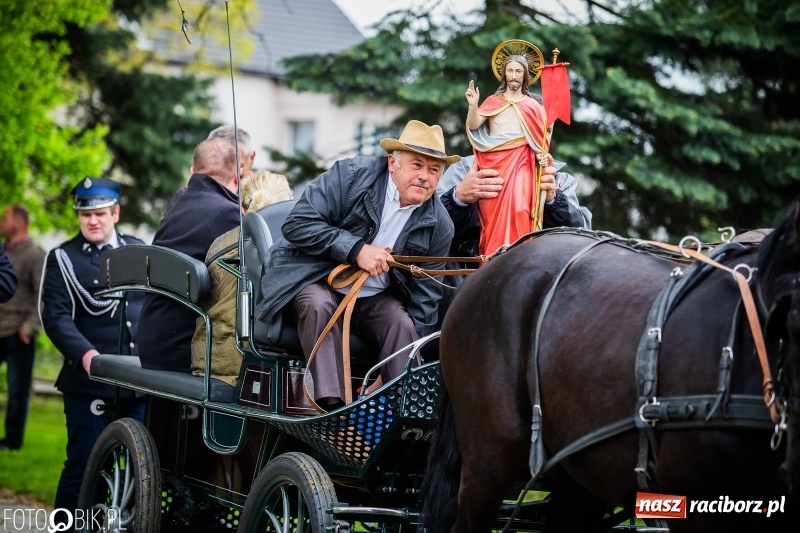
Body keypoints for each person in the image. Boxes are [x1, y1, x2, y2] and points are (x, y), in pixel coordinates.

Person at [256, 120, 458, 411]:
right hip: (313, 276)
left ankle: (398, 413)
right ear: (393, 163)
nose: (424, 177)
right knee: (318, 305)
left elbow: (425, 304)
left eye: (434, 170)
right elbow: (297, 224)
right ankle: (332, 411)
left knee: (402, 323)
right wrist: (355, 250)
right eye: (416, 165)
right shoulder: (351, 175)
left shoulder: (440, 224)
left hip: (373, 296)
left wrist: (385, 375)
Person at [39, 177, 146, 514]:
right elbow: (55, 317)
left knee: (137, 470)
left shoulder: (136, 248)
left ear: (115, 212)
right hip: (89, 384)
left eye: (100, 213)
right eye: (86, 215)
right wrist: (87, 355)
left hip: (139, 383)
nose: (93, 221)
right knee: (83, 467)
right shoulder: (63, 258)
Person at [138, 137, 242, 372]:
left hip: (153, 341)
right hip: (183, 350)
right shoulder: (227, 214)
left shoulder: (180, 203)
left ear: (194, 171)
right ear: (237, 178)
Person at [191, 170, 294, 386]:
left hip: (211, 360)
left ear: (243, 210)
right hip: (253, 363)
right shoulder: (297, 244)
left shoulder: (220, 244)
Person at [465, 50, 553, 256]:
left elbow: (541, 140)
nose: (514, 75)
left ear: (525, 76)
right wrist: (473, 105)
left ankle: (518, 257)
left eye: (518, 71)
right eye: (510, 71)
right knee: (490, 216)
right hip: (494, 164)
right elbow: (474, 124)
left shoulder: (533, 106)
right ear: (504, 74)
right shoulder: (493, 101)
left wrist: (542, 155)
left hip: (522, 161)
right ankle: (491, 260)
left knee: (521, 207)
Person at [438, 154, 592, 259]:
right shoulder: (465, 169)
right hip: (464, 285)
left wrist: (553, 201)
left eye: (547, 129)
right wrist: (457, 198)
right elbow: (428, 227)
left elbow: (581, 236)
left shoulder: (558, 179)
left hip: (538, 285)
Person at [0, 205, 46, 451]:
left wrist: (29, 327)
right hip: (0, 328)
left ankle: (12, 442)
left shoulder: (35, 254)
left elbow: (43, 293)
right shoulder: (3, 251)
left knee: (18, 391)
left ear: (18, 222)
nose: (0, 222)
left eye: (4, 218)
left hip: (19, 333)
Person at [163, 126, 255, 220]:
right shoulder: (184, 200)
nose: (230, 174)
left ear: (251, 158)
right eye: (216, 164)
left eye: (239, 166)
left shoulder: (264, 195)